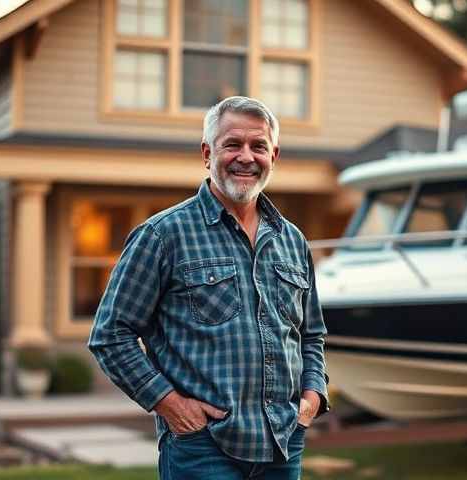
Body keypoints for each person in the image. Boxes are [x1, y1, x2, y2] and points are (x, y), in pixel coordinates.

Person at [88, 96, 329, 479]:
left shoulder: (292, 240)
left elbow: (311, 334)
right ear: (207, 152)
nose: (246, 157)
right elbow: (110, 335)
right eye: (232, 144)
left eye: (258, 146)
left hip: (283, 444)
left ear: (274, 155)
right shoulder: (163, 235)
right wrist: (168, 403)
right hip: (202, 448)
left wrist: (312, 398)